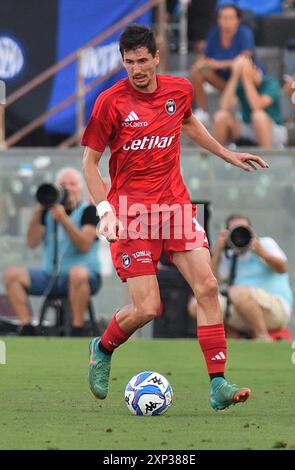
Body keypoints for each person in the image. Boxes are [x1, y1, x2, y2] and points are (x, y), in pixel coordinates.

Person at [82, 24, 268, 411]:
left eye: (141, 61)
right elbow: (89, 162)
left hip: (175, 208)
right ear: (123, 61)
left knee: (208, 286)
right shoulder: (110, 102)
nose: (135, 69)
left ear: (156, 58)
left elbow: (188, 122)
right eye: (128, 62)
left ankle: (217, 384)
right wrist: (106, 212)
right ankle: (102, 347)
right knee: (149, 308)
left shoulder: (179, 89)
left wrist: (228, 154)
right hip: (130, 215)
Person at [3, 167, 101, 337]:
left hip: (85, 277)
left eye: (72, 184)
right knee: (11, 275)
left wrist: (64, 220)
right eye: (63, 184)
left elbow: (84, 245)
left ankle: (77, 329)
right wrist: (37, 213)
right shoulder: (47, 213)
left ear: (81, 188)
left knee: (77, 274)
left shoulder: (89, 211)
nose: (68, 188)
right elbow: (31, 243)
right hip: (50, 276)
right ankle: (27, 327)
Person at [203, 214, 292, 340]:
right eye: (235, 231)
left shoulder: (266, 243)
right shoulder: (229, 256)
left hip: (275, 309)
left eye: (243, 229)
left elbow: (282, 268)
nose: (240, 235)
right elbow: (208, 282)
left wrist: (262, 253)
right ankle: (233, 341)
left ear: (251, 231)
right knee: (200, 302)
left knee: (236, 291)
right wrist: (218, 249)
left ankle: (262, 336)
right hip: (241, 310)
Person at [190, 3, 260, 128]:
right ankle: (202, 111)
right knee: (197, 71)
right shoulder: (214, 33)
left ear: (238, 20)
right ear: (218, 19)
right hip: (223, 80)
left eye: (230, 17)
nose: (226, 21)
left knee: (241, 67)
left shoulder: (245, 33)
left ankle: (242, 110)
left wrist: (217, 64)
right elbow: (204, 56)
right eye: (222, 17)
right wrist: (199, 63)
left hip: (245, 82)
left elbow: (244, 59)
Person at [212, 55, 287, 148]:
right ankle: (216, 158)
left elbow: (257, 106)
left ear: (255, 68)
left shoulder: (271, 84)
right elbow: (224, 106)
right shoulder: (240, 85)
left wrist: (246, 77)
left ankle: (266, 158)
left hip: (273, 131)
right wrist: (234, 76)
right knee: (221, 116)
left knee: (258, 116)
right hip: (248, 127)